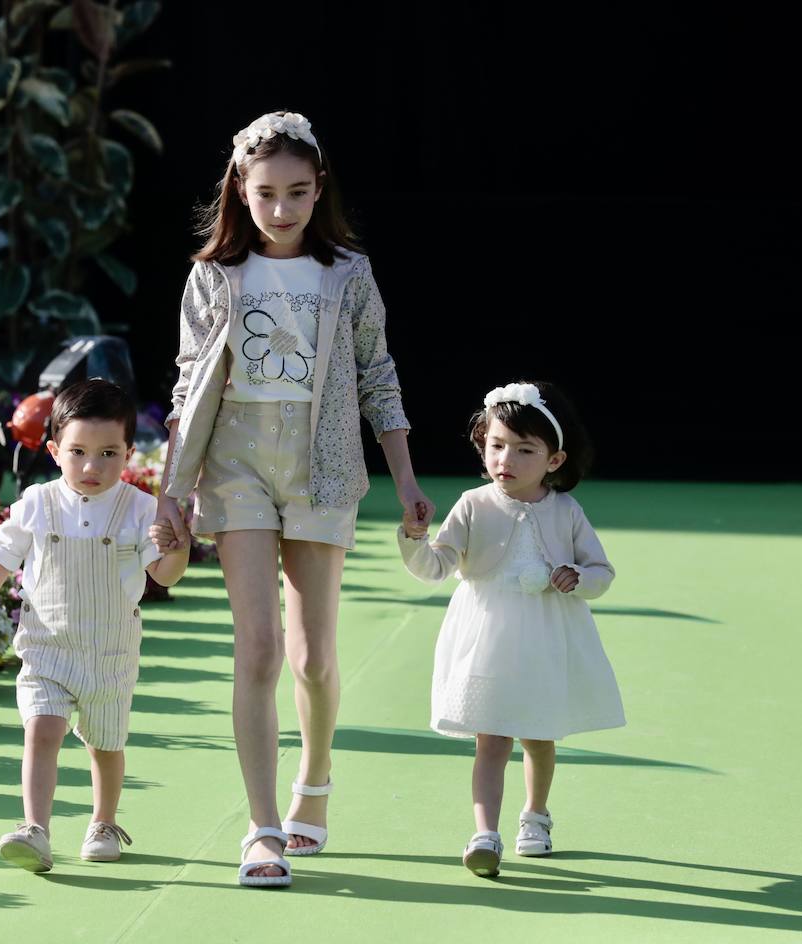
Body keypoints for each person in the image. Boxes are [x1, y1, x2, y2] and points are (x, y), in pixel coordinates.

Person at [153, 111, 434, 887]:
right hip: (234, 460)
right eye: (267, 192)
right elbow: (187, 386)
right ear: (240, 191)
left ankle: (316, 778)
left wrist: (406, 476)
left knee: (313, 657)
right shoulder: (214, 274)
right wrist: (169, 493)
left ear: (320, 191)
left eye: (298, 193)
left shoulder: (349, 273)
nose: (282, 209)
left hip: (325, 463)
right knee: (259, 649)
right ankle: (262, 827)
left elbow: (378, 374)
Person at [0, 379, 190, 872]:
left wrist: (177, 544)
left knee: (106, 744)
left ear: (128, 454)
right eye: (78, 451)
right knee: (41, 730)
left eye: (108, 453)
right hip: (46, 647)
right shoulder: (37, 502)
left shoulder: (140, 509)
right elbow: (1, 554)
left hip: (110, 650)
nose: (91, 466)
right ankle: (35, 829)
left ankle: (103, 822)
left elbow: (163, 575)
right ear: (55, 450)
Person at [399, 381, 625, 878]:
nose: (507, 459)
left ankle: (536, 815)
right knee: (491, 737)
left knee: (538, 736)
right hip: (487, 637)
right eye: (497, 445)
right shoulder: (473, 504)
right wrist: (415, 541)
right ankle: (485, 833)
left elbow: (601, 573)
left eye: (525, 450)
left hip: (545, 637)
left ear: (555, 460)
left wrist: (578, 577)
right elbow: (437, 566)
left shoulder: (566, 511)